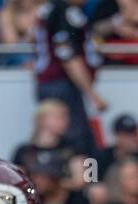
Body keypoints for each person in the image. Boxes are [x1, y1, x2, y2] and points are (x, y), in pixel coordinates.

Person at [33, 0, 105, 156]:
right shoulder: (64, 12)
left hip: (56, 84)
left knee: (58, 139)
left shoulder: (51, 9)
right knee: (78, 143)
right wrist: (92, 95)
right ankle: (85, 178)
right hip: (60, 86)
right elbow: (68, 56)